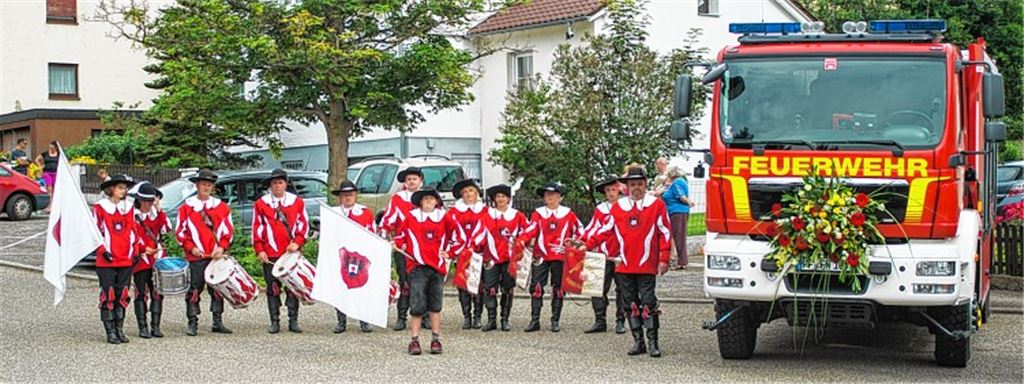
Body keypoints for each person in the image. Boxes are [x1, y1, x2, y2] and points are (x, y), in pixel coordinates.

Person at [584, 166, 672, 357]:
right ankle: (638, 341)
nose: (636, 188)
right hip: (624, 264)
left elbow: (665, 232)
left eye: (640, 184)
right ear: (627, 187)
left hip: (647, 264)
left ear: (645, 184)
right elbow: (604, 230)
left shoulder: (656, 205)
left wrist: (664, 258)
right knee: (630, 304)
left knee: (648, 303)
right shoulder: (618, 208)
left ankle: (653, 342)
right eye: (633, 184)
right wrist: (585, 244)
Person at [393, 187, 463, 355]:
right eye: (426, 199)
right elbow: (400, 235)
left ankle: (435, 339)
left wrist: (450, 253)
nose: (429, 202)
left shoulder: (444, 216)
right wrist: (397, 243)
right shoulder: (411, 217)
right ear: (421, 202)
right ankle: (414, 340)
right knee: (417, 305)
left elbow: (459, 236)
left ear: (436, 201)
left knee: (435, 305)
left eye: (432, 199)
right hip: (417, 266)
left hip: (437, 267)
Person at [515, 183, 583, 333]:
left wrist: (575, 243)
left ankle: (555, 320)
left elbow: (579, 231)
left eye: (553, 195)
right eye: (547, 195)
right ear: (544, 197)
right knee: (537, 287)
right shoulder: (538, 213)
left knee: (558, 288)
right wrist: (521, 240)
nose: (551, 197)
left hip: (560, 255)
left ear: (560, 197)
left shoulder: (568, 214)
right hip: (541, 255)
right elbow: (531, 229)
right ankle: (535, 320)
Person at [175, 169, 235, 336]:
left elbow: (227, 231)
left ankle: (217, 321)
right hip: (197, 256)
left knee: (217, 288)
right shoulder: (186, 208)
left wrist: (221, 247)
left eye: (209, 184)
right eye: (203, 184)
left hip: (215, 255)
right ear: (197, 185)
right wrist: (191, 248)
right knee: (195, 288)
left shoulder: (221, 207)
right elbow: (181, 232)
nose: (206, 187)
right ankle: (192, 322)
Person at [251, 169, 309, 334]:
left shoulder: (296, 202)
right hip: (270, 252)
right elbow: (257, 228)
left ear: (285, 184)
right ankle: (274, 321)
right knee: (272, 288)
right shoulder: (261, 204)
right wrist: (260, 249)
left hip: (290, 252)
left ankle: (293, 320)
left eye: (280, 182)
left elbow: (303, 225)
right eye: (275, 183)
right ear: (270, 185)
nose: (277, 186)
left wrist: (297, 243)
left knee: (292, 286)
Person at [471, 184, 528, 332]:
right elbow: (478, 234)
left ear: (508, 199)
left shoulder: (517, 215)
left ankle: (505, 319)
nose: (500, 199)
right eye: (498, 197)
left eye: (503, 196)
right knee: (489, 288)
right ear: (494, 199)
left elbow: (527, 231)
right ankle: (491, 320)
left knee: (508, 289)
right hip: (491, 258)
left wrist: (521, 242)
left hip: (510, 258)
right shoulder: (487, 216)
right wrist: (474, 247)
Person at [93, 174, 141, 344]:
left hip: (125, 259)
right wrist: (101, 250)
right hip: (107, 259)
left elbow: (134, 231)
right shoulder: (100, 208)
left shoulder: (128, 208)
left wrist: (135, 251)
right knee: (109, 294)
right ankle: (110, 331)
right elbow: (95, 232)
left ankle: (119, 329)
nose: (124, 191)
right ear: (112, 189)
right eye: (121, 188)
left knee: (123, 294)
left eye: (125, 188)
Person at [379, 166, 425, 331]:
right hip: (403, 247)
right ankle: (401, 317)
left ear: (420, 181)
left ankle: (423, 316)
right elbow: (388, 219)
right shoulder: (398, 199)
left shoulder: (427, 198)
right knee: (405, 282)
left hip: (424, 248)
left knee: (422, 282)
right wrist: (383, 236)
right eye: (409, 179)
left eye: (415, 179)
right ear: (405, 182)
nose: (412, 182)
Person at [581, 176, 626, 334]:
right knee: (597, 287)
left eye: (613, 190)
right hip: (602, 255)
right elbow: (592, 228)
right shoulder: (601, 209)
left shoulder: (625, 207)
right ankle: (600, 320)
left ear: (619, 190)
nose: (610, 193)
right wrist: (581, 241)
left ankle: (621, 320)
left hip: (621, 256)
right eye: (607, 191)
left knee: (622, 289)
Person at [331, 180, 374, 333]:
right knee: (340, 288)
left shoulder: (365, 212)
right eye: (345, 195)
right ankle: (341, 321)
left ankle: (364, 320)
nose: (348, 198)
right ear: (340, 197)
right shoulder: (333, 213)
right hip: (341, 256)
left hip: (359, 256)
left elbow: (371, 233)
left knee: (361, 286)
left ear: (355, 195)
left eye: (350, 194)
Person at [130, 182, 171, 339]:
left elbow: (166, 229)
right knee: (140, 292)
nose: (149, 204)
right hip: (142, 259)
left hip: (157, 258)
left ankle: (155, 326)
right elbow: (132, 236)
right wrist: (142, 249)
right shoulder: (133, 216)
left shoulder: (156, 215)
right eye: (146, 201)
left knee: (158, 292)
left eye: (151, 201)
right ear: (139, 200)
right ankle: (143, 327)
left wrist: (160, 210)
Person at [446, 179, 487, 329]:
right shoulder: (454, 213)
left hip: (478, 253)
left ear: (476, 193)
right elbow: (449, 233)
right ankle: (466, 316)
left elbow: (487, 231)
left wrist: (475, 246)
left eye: (471, 191)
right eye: (465, 192)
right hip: (461, 253)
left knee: (478, 284)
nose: (468, 194)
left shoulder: (485, 211)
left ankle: (477, 316)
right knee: (462, 285)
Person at [661, 167, 693, 270]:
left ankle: (681, 261)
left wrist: (688, 202)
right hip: (677, 212)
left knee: (678, 236)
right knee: (678, 235)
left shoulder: (677, 183)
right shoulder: (681, 181)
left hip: (677, 212)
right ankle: (680, 261)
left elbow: (680, 196)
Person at [35, 141, 60, 212]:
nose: (50, 149)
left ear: (56, 148)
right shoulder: (45, 153)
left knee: (55, 189)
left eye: (52, 147)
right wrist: (40, 166)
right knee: (49, 188)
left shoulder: (59, 154)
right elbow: (37, 159)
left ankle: (54, 205)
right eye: (49, 147)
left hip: (56, 172)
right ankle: (49, 205)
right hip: (47, 172)